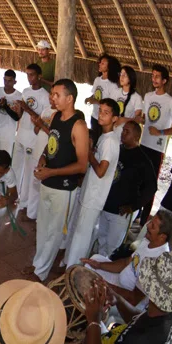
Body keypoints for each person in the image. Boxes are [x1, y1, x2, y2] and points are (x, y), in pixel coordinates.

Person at [25, 79, 89, 282]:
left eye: (56, 95)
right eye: (52, 94)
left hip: (63, 188)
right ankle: (38, 263)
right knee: (43, 226)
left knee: (54, 231)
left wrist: (51, 173)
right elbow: (51, 144)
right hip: (47, 181)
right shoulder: (54, 117)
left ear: (69, 99)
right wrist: (44, 159)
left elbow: (82, 165)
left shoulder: (78, 126)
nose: (52, 98)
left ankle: (41, 272)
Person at [64, 99, 121, 267]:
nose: (101, 115)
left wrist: (89, 154)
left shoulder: (110, 141)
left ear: (115, 118)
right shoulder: (104, 137)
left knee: (82, 235)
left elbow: (101, 171)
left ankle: (73, 270)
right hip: (89, 192)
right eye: (100, 110)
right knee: (76, 230)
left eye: (106, 112)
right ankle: (68, 262)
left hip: (95, 196)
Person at [82, 209, 172, 305]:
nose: (147, 225)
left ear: (162, 237)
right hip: (120, 280)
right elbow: (126, 262)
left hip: (125, 300)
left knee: (91, 284)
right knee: (94, 260)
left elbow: (134, 298)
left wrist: (107, 287)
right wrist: (99, 265)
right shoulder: (148, 240)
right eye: (150, 222)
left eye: (153, 226)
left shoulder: (159, 263)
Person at [98, 122, 158, 257]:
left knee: (112, 247)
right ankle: (97, 267)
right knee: (101, 240)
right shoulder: (118, 149)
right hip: (105, 205)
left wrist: (134, 206)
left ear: (136, 136)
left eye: (127, 131)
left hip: (121, 212)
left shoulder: (143, 159)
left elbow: (152, 187)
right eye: (123, 130)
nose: (123, 133)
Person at [137, 64, 172, 225]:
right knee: (138, 180)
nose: (153, 79)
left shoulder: (170, 102)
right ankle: (134, 212)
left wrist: (160, 133)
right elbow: (145, 118)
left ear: (164, 80)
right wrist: (141, 120)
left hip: (157, 148)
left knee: (150, 184)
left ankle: (143, 221)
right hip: (144, 144)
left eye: (157, 76)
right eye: (152, 75)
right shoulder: (147, 96)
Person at [15, 64, 50, 207]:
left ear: (39, 76)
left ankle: (24, 201)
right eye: (27, 74)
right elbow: (21, 114)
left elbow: (41, 120)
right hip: (21, 134)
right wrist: (18, 110)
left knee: (29, 171)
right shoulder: (25, 91)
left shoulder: (45, 96)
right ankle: (14, 194)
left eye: (32, 75)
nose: (29, 78)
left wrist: (27, 108)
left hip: (32, 137)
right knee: (16, 166)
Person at [84, 54, 120, 143]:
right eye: (100, 63)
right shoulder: (97, 80)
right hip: (94, 116)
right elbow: (95, 94)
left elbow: (111, 105)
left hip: (104, 120)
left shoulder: (112, 85)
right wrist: (89, 98)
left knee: (101, 142)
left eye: (103, 63)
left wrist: (95, 101)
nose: (100, 64)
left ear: (109, 67)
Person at [0, 70, 23, 155]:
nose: (6, 83)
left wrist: (6, 106)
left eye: (10, 81)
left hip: (8, 134)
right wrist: (0, 105)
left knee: (4, 159)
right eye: (5, 80)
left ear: (15, 82)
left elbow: (17, 117)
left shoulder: (19, 96)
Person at [113, 65, 144, 138]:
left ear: (130, 78)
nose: (121, 77)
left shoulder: (137, 97)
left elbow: (138, 120)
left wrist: (123, 120)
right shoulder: (115, 92)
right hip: (111, 131)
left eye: (125, 75)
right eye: (121, 74)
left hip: (124, 135)